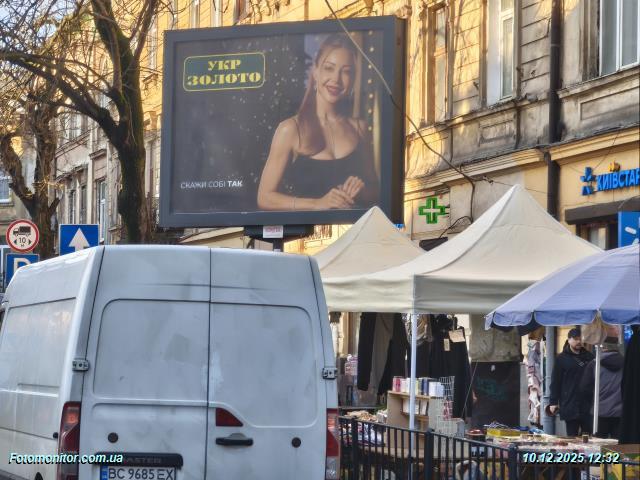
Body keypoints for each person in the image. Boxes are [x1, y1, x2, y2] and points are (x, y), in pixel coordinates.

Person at [257, 34, 379, 211]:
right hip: (305, 230)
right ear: (315, 71)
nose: (336, 79)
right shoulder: (290, 129)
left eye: (346, 71)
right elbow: (264, 197)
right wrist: (317, 204)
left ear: (353, 79)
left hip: (355, 228)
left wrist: (362, 191)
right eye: (329, 68)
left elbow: (376, 192)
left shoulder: (360, 129)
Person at [548, 328, 594, 437]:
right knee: (572, 437)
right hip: (570, 403)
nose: (579, 341)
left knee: (588, 437)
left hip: (587, 404)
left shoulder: (590, 357)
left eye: (580, 339)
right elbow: (555, 381)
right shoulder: (561, 359)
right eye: (575, 339)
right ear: (569, 340)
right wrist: (553, 402)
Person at [579, 338, 624, 439]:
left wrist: (592, 403)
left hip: (598, 413)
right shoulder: (626, 363)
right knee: (618, 444)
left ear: (602, 347)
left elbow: (584, 388)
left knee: (598, 444)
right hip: (620, 413)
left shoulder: (593, 364)